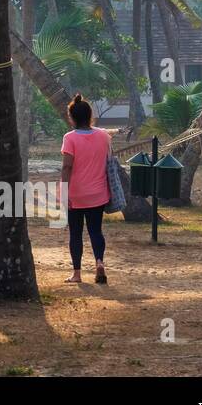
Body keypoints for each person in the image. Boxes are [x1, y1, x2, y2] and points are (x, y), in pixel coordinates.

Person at [60, 93, 111, 284]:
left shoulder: (70, 138)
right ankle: (99, 262)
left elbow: (67, 167)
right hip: (98, 193)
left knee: (76, 233)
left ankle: (77, 273)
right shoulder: (103, 136)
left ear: (71, 117)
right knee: (95, 231)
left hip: (76, 194)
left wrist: (64, 192)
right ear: (90, 115)